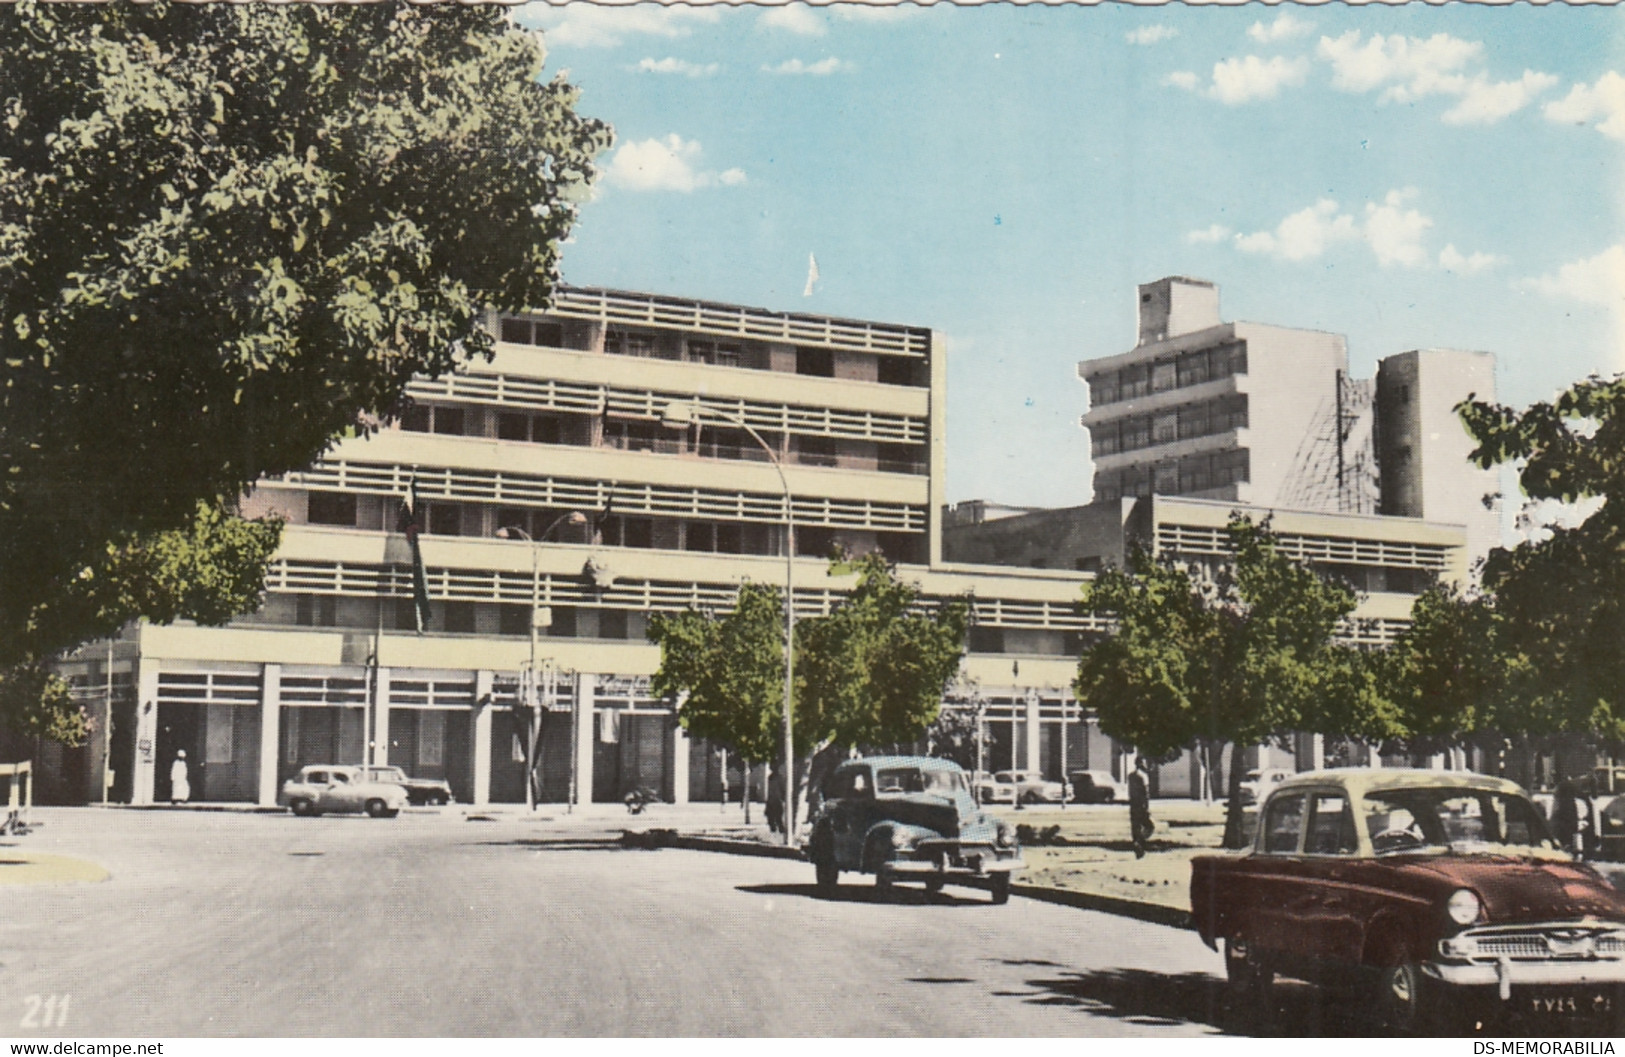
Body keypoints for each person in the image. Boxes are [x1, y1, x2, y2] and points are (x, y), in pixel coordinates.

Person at [1128, 756, 1153, 859]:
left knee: (1135, 826)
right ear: (1141, 764)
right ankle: (1139, 842)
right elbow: (1145, 793)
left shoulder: (1131, 776)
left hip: (1133, 804)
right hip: (1141, 805)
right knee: (1149, 826)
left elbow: (1130, 791)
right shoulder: (1143, 776)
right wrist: (1146, 807)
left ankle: (1137, 847)